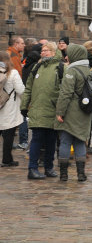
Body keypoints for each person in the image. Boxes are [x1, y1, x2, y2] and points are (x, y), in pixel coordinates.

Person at [21, 41, 62, 179]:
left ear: (54, 52)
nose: (43, 52)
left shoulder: (60, 68)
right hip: (38, 109)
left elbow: (65, 90)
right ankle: (32, 168)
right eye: (42, 50)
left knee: (51, 140)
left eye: (46, 50)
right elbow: (28, 88)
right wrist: (24, 106)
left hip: (52, 109)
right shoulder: (37, 67)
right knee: (37, 139)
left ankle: (49, 167)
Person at [54, 44, 92, 182]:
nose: (66, 56)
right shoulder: (89, 71)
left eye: (68, 53)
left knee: (65, 142)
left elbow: (66, 93)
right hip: (85, 111)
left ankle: (64, 174)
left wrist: (60, 112)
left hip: (71, 111)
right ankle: (81, 174)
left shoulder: (72, 71)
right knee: (80, 142)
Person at [0, 51, 25, 167]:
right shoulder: (13, 73)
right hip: (9, 107)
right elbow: (21, 90)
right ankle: (7, 159)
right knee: (8, 135)